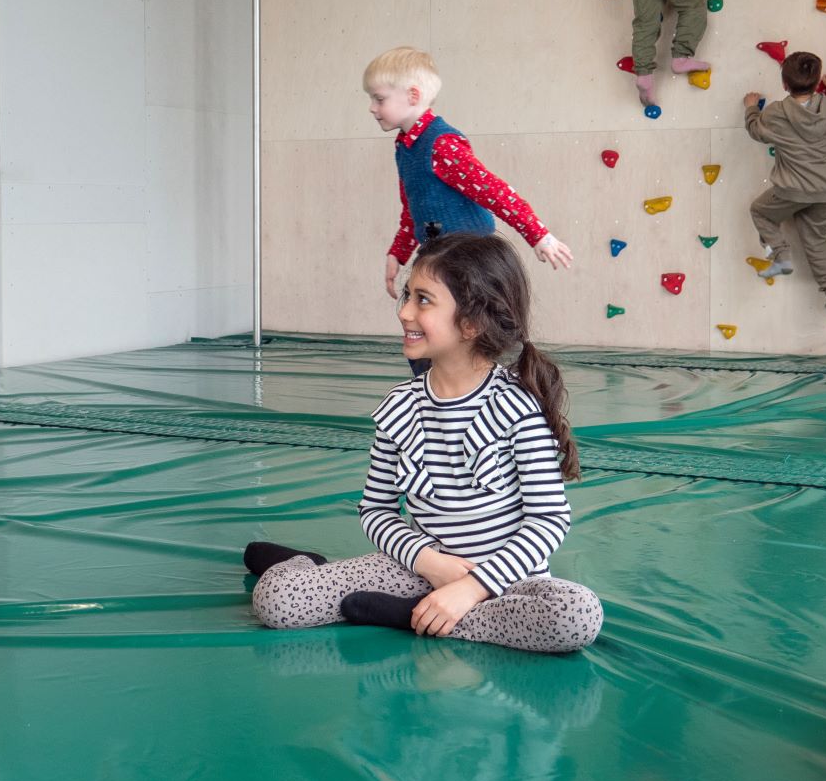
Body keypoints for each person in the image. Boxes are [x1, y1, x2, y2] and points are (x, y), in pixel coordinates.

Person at [244, 233, 602, 654]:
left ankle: (407, 614)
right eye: (407, 296)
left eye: (424, 300)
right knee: (276, 602)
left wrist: (470, 588)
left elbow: (548, 521)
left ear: (472, 323)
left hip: (509, 580)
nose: (405, 311)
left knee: (576, 617)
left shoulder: (517, 408)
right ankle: (341, 578)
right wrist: (429, 564)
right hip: (417, 570)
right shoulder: (399, 406)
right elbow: (376, 510)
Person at [365, 46, 571, 370]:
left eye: (379, 99)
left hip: (470, 259)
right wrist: (398, 253)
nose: (372, 108)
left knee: (475, 336)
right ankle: (430, 393)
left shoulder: (441, 144)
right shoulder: (405, 146)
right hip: (438, 255)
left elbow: (494, 191)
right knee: (425, 330)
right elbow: (412, 208)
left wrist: (539, 235)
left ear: (413, 95)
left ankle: (496, 390)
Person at [743, 50, 826, 315]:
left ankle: (780, 255)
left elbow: (756, 131)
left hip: (791, 190)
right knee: (818, 240)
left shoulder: (776, 113)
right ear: (817, 84)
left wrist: (750, 108)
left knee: (760, 211)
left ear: (784, 85)